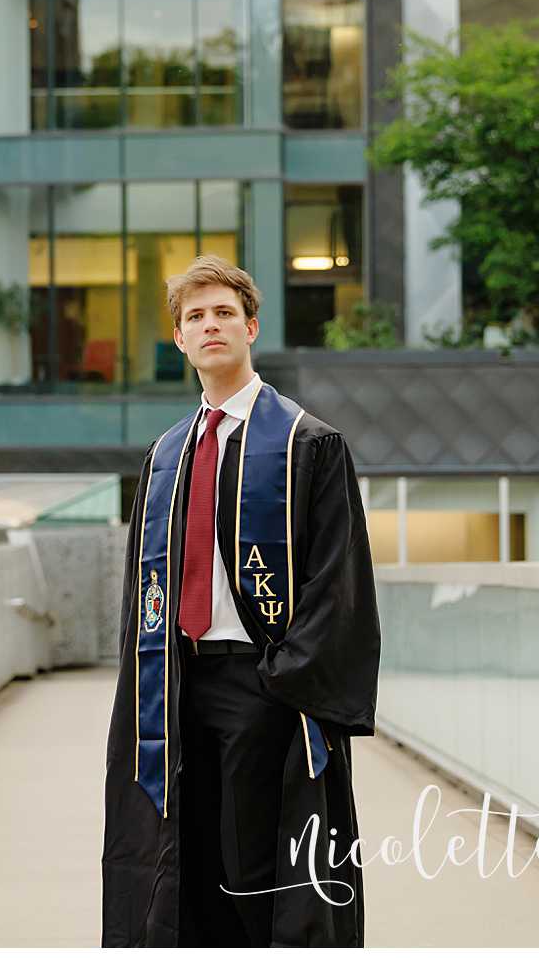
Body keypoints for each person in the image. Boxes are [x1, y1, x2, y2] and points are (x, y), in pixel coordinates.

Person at [100, 254, 380, 946]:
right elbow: (143, 592)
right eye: (195, 317)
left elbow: (336, 582)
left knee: (256, 866)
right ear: (180, 341)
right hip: (176, 686)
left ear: (251, 326)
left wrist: (283, 683)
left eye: (224, 312)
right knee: (183, 866)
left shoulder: (306, 443)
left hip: (264, 685)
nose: (210, 325)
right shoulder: (167, 454)